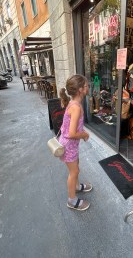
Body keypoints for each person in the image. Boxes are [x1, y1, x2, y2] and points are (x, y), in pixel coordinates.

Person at [59, 74, 92, 211]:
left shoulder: (74, 103)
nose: (88, 87)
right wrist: (84, 134)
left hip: (71, 145)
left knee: (76, 166)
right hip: (69, 145)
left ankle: (77, 187)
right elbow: (72, 133)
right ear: (80, 90)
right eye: (86, 86)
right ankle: (71, 200)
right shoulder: (76, 107)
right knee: (74, 171)